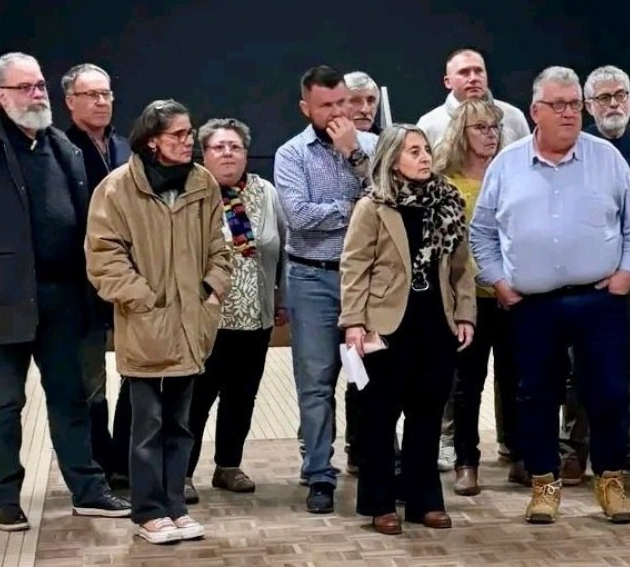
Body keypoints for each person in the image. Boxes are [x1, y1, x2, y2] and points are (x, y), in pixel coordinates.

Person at [0, 51, 130, 532]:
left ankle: (87, 488)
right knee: (6, 400)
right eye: (26, 87)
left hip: (65, 296)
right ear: (0, 95)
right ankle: (4, 498)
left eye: (40, 85)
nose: (37, 94)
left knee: (71, 397)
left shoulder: (60, 145)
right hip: (9, 299)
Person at [470, 66, 630, 525]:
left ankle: (610, 481)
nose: (570, 113)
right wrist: (500, 283)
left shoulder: (606, 158)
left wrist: (627, 274)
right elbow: (482, 233)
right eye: (559, 105)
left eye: (575, 105)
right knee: (535, 397)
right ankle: (543, 484)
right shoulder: (506, 164)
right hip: (531, 306)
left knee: (608, 394)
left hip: (600, 300)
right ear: (535, 112)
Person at [86, 99, 231, 543]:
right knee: (145, 427)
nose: (189, 142)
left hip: (192, 325)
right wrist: (144, 300)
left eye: (189, 134)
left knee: (180, 425)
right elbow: (104, 258)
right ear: (152, 141)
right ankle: (149, 511)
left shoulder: (203, 183)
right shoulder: (116, 189)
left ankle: (175, 505)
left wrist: (211, 290)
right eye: (179, 135)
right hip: (145, 327)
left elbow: (220, 246)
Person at [339, 124, 477, 535]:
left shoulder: (447, 203)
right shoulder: (374, 206)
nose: (423, 157)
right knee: (379, 418)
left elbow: (461, 268)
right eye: (413, 151)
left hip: (436, 323)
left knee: (427, 416)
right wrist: (353, 323)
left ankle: (424, 501)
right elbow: (354, 268)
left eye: (426, 150)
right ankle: (380, 503)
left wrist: (466, 313)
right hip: (384, 325)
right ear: (392, 158)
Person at [273, 65, 377, 512]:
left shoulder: (371, 147)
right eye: (327, 106)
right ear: (306, 108)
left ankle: (375, 460)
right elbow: (298, 216)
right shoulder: (291, 154)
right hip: (311, 276)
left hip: (366, 279)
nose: (338, 113)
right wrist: (355, 206)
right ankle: (318, 472)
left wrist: (354, 156)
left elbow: (389, 198)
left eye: (343, 103)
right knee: (315, 382)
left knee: (370, 376)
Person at [560, 65, 630, 482]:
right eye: (604, 98)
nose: (614, 104)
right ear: (588, 105)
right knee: (580, 367)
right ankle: (573, 449)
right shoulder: (576, 146)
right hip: (587, 273)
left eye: (620, 95)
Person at [185, 118, 287, 501]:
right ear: (204, 153)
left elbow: (282, 250)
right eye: (218, 147)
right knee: (196, 400)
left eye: (235, 147)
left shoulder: (266, 192)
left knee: (242, 397)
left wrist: (280, 300)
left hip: (256, 318)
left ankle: (228, 465)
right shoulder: (192, 191)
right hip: (207, 319)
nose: (228, 153)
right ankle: (182, 472)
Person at [434, 98, 527, 495]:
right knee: (467, 383)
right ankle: (466, 461)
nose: (491, 135)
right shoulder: (446, 181)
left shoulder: (514, 173)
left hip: (514, 293)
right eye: (481, 128)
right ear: (461, 134)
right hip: (468, 299)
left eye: (495, 127)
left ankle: (522, 457)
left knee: (517, 379)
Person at [61, 62, 134, 490]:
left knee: (137, 371)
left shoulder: (126, 148)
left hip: (128, 278)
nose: (102, 101)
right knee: (91, 384)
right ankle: (96, 467)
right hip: (79, 282)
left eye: (106, 93)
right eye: (91, 95)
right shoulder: (57, 149)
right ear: (70, 102)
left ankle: (125, 458)